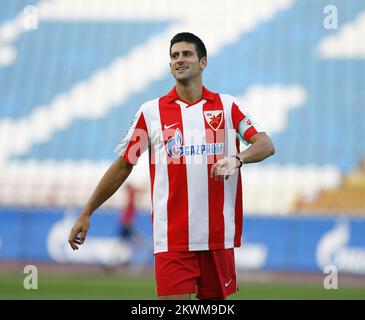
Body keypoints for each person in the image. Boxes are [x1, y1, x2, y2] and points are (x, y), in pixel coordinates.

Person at [68, 32, 275, 300]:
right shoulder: (151, 113)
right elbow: (123, 166)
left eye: (187, 54)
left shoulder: (227, 107)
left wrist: (237, 159)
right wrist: (87, 212)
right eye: (174, 56)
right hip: (172, 239)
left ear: (203, 63)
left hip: (217, 239)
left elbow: (266, 144)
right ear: (169, 66)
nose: (179, 60)